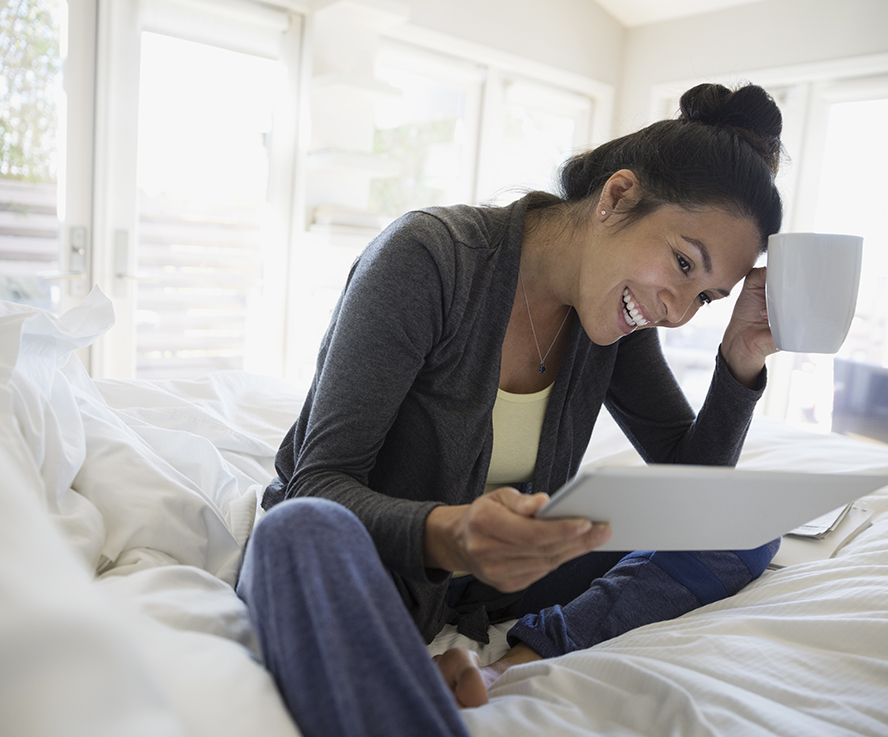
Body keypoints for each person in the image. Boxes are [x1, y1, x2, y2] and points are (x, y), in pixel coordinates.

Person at [237, 81, 785, 737]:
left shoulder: (613, 321)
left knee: (747, 525)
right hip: (379, 568)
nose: (674, 309)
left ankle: (511, 659)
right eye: (681, 262)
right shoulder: (431, 259)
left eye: (705, 297)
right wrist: (453, 533)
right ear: (617, 196)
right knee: (296, 529)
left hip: (493, 587)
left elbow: (693, 501)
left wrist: (741, 359)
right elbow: (317, 483)